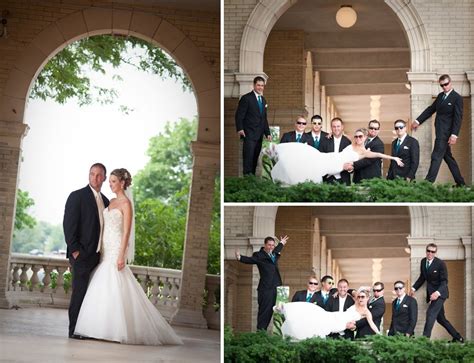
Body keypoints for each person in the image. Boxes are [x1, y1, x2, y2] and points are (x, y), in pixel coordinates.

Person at [74, 168, 182, 345]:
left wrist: (121, 254)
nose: (110, 184)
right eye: (109, 181)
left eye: (114, 181)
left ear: (123, 183)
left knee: (115, 284)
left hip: (116, 249)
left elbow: (126, 233)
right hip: (104, 249)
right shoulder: (111, 202)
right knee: (102, 287)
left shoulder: (126, 204)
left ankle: (118, 330)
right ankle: (99, 328)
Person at [63, 163, 110, 339]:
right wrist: (75, 251)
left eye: (99, 175)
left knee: (91, 296)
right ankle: (73, 330)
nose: (95, 178)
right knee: (79, 293)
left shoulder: (106, 201)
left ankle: (86, 329)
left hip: (97, 257)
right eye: (92, 174)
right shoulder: (77, 196)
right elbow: (69, 226)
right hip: (81, 256)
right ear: (88, 175)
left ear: (104, 178)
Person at [266, 128, 403, 186]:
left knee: (314, 167)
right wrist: (330, 134)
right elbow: (338, 134)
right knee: (308, 153)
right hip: (332, 157)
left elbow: (379, 154)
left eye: (360, 136)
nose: (357, 138)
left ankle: (288, 172)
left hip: (337, 166)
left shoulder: (364, 152)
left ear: (365, 137)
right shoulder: (350, 142)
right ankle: (276, 152)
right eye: (356, 136)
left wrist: (394, 158)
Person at [411, 74, 465, 186]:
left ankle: (428, 182)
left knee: (436, 156)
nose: (444, 87)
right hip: (439, 131)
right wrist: (418, 121)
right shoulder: (440, 96)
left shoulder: (457, 98)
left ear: (450, 83)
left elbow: (458, 118)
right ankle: (461, 183)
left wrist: (454, 135)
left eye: (446, 84)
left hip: (446, 134)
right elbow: (431, 110)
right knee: (448, 158)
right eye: (442, 85)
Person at [410, 243, 464, 342]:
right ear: (426, 251)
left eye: (433, 251)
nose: (430, 253)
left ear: (435, 253)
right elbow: (423, 277)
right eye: (428, 251)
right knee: (441, 319)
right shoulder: (423, 262)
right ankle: (458, 337)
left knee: (430, 313)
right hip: (431, 294)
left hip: (440, 294)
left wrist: (437, 293)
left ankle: (424, 340)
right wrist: (413, 288)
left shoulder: (440, 264)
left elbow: (444, 281)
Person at [281, 287, 380, 340]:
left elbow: (372, 324)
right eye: (359, 296)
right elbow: (351, 290)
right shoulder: (355, 302)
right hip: (337, 315)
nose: (360, 298)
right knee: (318, 316)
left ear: (367, 298)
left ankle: (301, 333)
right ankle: (288, 311)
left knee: (323, 327)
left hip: (342, 324)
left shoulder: (367, 312)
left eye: (363, 297)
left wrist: (380, 335)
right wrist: (337, 291)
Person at [235, 235, 289, 330]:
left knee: (280, 312)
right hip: (266, 289)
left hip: (277, 289)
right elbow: (251, 260)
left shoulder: (274, 254)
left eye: (272, 245)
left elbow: (277, 249)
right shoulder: (259, 255)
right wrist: (240, 257)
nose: (271, 247)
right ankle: (260, 333)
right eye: (269, 245)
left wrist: (281, 243)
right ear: (264, 245)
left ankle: (281, 335)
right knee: (265, 312)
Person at [235, 76, 272, 175]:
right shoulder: (246, 98)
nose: (260, 87)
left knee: (255, 159)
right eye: (258, 85)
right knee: (248, 159)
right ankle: (246, 181)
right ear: (254, 85)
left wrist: (267, 133)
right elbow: (239, 115)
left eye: (262, 86)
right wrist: (240, 128)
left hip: (259, 135)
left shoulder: (263, 100)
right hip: (248, 134)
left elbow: (264, 118)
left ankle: (252, 180)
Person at [320, 118, 352, 185]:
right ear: (331, 127)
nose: (336, 128)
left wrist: (350, 168)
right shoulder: (324, 141)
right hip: (328, 178)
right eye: (334, 126)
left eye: (338, 126)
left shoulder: (348, 142)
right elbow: (321, 159)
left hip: (344, 178)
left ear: (342, 127)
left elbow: (351, 160)